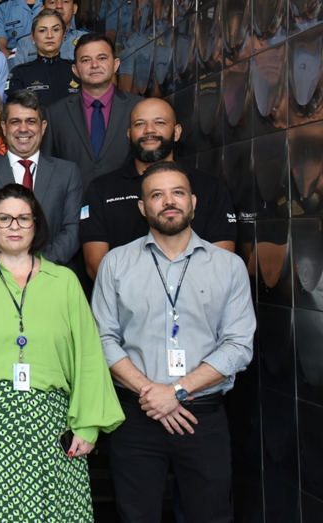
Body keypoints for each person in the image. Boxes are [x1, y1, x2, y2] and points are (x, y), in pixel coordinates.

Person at [0, 184, 124, 523]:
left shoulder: (65, 282)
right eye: (4, 218)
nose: (14, 226)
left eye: (23, 219)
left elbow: (88, 355)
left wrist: (88, 424)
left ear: (37, 225)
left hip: (48, 426)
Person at [90, 162, 255, 523]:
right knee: (135, 517)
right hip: (136, 414)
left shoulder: (228, 266)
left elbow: (239, 345)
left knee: (210, 516)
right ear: (142, 207)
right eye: (157, 195)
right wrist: (153, 392)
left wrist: (176, 390)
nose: (169, 202)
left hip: (203, 415)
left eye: (178, 193)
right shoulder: (116, 264)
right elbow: (102, 338)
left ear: (193, 202)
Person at [80, 98, 237, 280]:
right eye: (140, 124)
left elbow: (222, 261)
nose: (149, 130)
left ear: (176, 132)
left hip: (195, 303)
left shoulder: (210, 187)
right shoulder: (102, 189)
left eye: (159, 122)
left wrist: (176, 300)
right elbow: (95, 264)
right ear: (129, 134)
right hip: (127, 304)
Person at [0, 89, 82, 266]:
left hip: (52, 274)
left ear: (43, 126)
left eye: (31, 121)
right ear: (4, 127)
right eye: (15, 122)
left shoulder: (67, 173)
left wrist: (37, 266)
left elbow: (72, 230)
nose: (23, 129)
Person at [42, 33, 145, 190]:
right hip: (74, 208)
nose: (95, 65)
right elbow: (48, 169)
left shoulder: (138, 108)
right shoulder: (54, 113)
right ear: (75, 70)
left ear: (116, 64)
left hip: (128, 205)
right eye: (86, 60)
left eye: (102, 58)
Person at [6, 9, 80, 107]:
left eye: (55, 30)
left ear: (63, 35)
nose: (49, 36)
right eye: (42, 30)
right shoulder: (20, 74)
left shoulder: (77, 69)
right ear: (32, 37)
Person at [9, 0, 90, 67]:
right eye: (52, 2)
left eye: (65, 1)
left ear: (75, 8)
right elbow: (14, 77)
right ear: (42, 9)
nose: (59, 6)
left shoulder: (89, 40)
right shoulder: (24, 44)